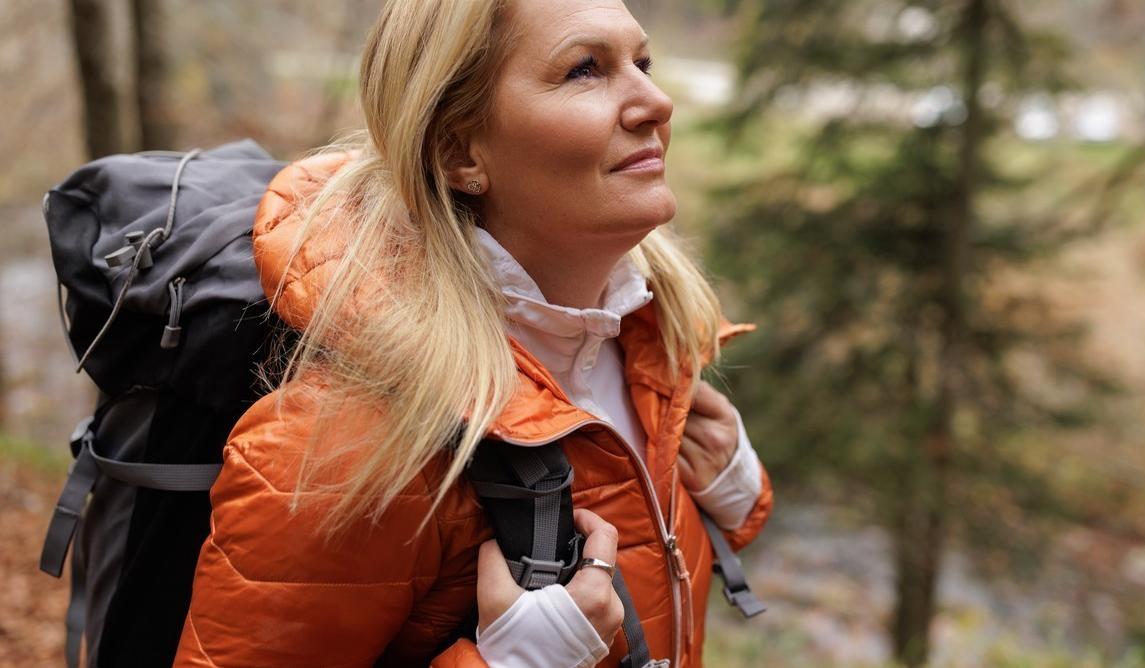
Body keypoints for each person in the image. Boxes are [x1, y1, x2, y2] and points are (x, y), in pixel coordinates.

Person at [172, 0, 773, 666]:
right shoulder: (342, 449)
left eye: (642, 62)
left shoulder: (645, 338)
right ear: (459, 152)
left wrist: (731, 496)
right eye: (584, 70)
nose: (654, 102)